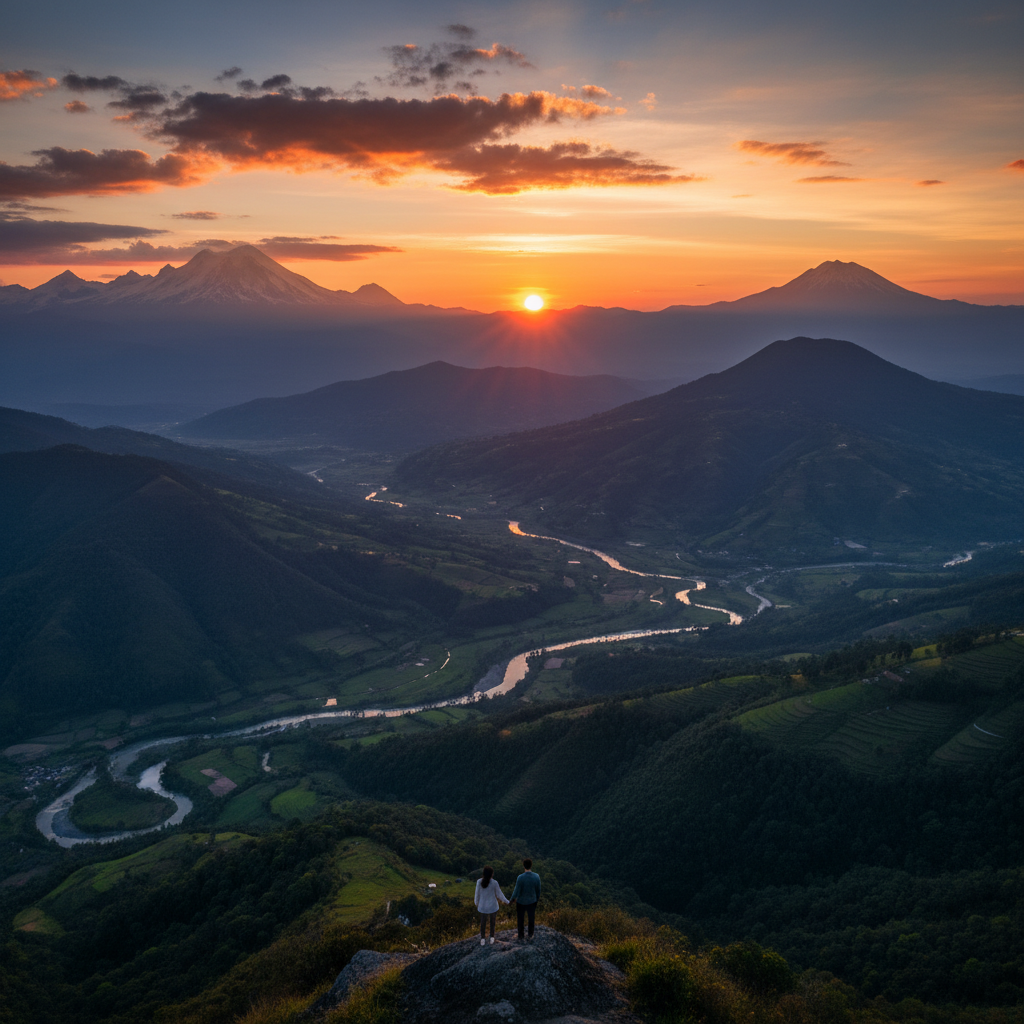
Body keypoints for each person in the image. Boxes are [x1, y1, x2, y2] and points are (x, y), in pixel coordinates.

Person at [474, 866, 509, 945]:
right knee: (492, 923)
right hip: (493, 906)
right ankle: (492, 937)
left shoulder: (479, 882)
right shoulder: (494, 883)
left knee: (483, 923)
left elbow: (477, 894)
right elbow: (499, 895)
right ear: (491, 874)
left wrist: (476, 903)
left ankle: (482, 938)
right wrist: (507, 902)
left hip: (482, 906)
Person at [509, 858, 541, 942]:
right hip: (532, 901)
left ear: (524, 866)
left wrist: (511, 900)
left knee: (520, 919)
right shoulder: (536, 876)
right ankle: (530, 934)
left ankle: (521, 936)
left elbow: (516, 890)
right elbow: (538, 890)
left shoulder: (520, 877)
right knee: (531, 918)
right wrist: (536, 898)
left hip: (521, 902)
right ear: (531, 865)